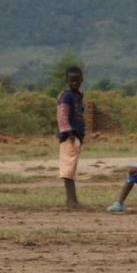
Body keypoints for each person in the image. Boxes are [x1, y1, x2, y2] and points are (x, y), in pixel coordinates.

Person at [56, 66, 86, 209]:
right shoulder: (67, 95)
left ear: (82, 80)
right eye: (72, 80)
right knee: (68, 169)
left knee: (71, 168)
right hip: (69, 136)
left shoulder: (79, 95)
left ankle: (71, 201)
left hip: (76, 136)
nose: (75, 83)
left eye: (77, 80)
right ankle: (72, 201)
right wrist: (69, 133)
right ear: (67, 81)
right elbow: (62, 114)